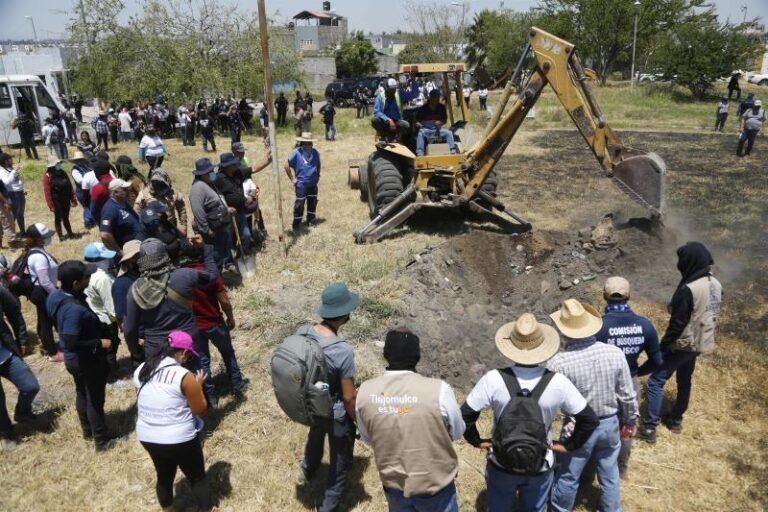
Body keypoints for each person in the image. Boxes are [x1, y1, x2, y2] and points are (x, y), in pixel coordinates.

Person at [461, 313, 599, 512]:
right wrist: (569, 446)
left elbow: (464, 415)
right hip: (541, 463)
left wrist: (477, 441)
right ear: (542, 348)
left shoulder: (493, 379)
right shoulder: (558, 382)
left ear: (512, 347)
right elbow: (589, 420)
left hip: (501, 461)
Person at [357, 328, 466, 511]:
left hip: (394, 485)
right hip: (435, 485)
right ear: (417, 356)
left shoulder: (365, 392)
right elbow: (457, 432)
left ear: (386, 354)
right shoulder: (439, 390)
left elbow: (368, 438)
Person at [547, 299, 638, 512]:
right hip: (609, 424)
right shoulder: (614, 353)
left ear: (563, 331)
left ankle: (560, 509)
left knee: (569, 474)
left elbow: (550, 402)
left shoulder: (558, 362)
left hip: (578, 426)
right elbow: (627, 395)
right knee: (609, 473)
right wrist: (630, 420)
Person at [637, 242, 723, 443]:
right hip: (703, 341)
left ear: (691, 261)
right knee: (685, 379)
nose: (679, 264)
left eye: (682, 260)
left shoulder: (689, 289)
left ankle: (649, 428)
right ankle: (676, 419)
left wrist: (661, 348)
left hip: (683, 343)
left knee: (655, 382)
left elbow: (677, 326)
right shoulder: (716, 284)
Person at [123, 238, 218, 404]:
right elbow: (212, 277)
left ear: (142, 261)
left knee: (165, 387)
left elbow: (129, 328)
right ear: (165, 256)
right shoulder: (184, 276)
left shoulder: (135, 290)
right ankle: (207, 404)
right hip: (187, 343)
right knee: (197, 374)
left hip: (156, 348)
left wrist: (135, 350)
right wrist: (207, 249)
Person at [296, 283, 359, 512]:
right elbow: (349, 397)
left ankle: (306, 469)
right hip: (335, 411)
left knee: (315, 433)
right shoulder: (342, 350)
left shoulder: (303, 331)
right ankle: (328, 505)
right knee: (339, 462)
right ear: (344, 315)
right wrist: (358, 422)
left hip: (311, 403)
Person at [47, 260, 122, 451]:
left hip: (73, 361)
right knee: (95, 399)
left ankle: (88, 431)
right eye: (86, 277)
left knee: (82, 392)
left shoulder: (55, 296)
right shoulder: (74, 310)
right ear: (75, 283)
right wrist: (98, 343)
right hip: (86, 359)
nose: (89, 279)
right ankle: (101, 441)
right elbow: (71, 341)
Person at [592, 276, 661, 478]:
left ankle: (595, 466)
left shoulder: (599, 326)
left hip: (603, 382)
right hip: (630, 380)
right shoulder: (645, 325)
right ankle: (620, 468)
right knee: (627, 424)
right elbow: (657, 360)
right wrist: (638, 371)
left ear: (604, 296)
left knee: (600, 422)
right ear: (628, 296)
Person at [133, 331, 210, 510]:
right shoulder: (184, 375)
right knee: (197, 477)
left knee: (164, 475)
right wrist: (197, 387)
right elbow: (200, 410)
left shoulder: (141, 369)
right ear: (183, 352)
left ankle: (168, 509)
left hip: (148, 435)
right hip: (179, 437)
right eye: (189, 354)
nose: (188, 358)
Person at [186, 246, 247, 398]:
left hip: (194, 327)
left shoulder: (181, 278)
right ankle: (238, 386)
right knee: (228, 353)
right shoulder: (210, 275)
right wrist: (231, 317)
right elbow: (224, 300)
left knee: (203, 362)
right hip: (214, 322)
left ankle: (210, 397)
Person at [0, 270, 39, 449]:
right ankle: (6, 433)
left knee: (30, 386)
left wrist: (22, 338)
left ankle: (22, 413)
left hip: (5, 354)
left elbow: (13, 310)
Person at [84, 243, 122, 385]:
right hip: (105, 320)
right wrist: (119, 321)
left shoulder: (86, 271)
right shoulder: (102, 278)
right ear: (97, 260)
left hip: (93, 317)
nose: (109, 261)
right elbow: (110, 304)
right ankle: (112, 378)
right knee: (110, 347)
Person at [24, 223, 61, 361]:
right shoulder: (38, 257)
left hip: (44, 290)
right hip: (43, 291)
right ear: (38, 239)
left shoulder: (38, 251)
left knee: (45, 320)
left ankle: (49, 347)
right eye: (46, 237)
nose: (49, 238)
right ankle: (52, 353)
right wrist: (55, 293)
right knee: (46, 322)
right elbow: (44, 281)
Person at [189, 158, 235, 271]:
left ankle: (220, 279)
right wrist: (207, 230)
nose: (212, 173)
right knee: (215, 258)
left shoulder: (209, 183)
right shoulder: (198, 188)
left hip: (219, 227)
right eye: (209, 172)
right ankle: (216, 282)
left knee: (220, 255)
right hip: (211, 232)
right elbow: (198, 212)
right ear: (203, 174)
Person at [216, 152, 254, 254]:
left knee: (246, 235)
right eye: (233, 164)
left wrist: (268, 159)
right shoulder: (218, 178)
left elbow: (254, 169)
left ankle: (244, 251)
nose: (236, 165)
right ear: (227, 166)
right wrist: (226, 208)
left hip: (240, 210)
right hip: (227, 213)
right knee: (229, 236)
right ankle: (231, 255)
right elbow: (215, 195)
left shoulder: (238, 172)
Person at [133, 168, 187, 236]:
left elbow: (181, 208)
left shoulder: (173, 193)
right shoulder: (144, 195)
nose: (158, 186)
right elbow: (136, 214)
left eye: (161, 184)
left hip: (171, 229)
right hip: (153, 232)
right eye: (156, 183)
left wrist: (183, 225)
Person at [284, 132, 320, 232]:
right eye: (305, 143)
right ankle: (296, 225)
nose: (308, 145)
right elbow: (286, 165)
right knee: (299, 204)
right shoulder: (296, 153)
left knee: (312, 202)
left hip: (313, 184)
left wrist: (318, 175)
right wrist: (292, 179)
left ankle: (311, 221)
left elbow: (318, 164)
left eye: (310, 143)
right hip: (301, 184)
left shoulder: (315, 153)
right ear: (302, 143)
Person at [99, 179, 143, 254]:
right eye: (125, 189)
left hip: (140, 244)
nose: (128, 191)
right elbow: (104, 234)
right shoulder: (110, 209)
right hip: (131, 251)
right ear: (115, 192)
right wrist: (119, 251)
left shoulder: (123, 202)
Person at [42, 158, 78, 241]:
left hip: (65, 197)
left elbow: (70, 186)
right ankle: (61, 236)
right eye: (57, 163)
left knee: (66, 217)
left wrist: (73, 199)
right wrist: (51, 205)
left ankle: (70, 233)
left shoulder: (63, 172)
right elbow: (47, 192)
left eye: (59, 163)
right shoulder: (48, 176)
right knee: (58, 217)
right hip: (56, 199)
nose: (59, 165)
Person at [415, 89, 458, 156]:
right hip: (426, 129)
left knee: (449, 133)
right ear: (431, 98)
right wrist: (420, 125)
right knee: (420, 134)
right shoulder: (423, 109)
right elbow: (416, 121)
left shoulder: (441, 108)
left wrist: (440, 122)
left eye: (438, 97)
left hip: (437, 130)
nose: (437, 99)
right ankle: (420, 153)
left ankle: (452, 151)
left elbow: (444, 120)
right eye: (435, 97)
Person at [111, 240, 140, 333]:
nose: (141, 259)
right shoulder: (121, 285)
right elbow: (122, 321)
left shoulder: (146, 275)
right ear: (128, 261)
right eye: (136, 256)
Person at [0, 153, 25, 234]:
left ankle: (23, 232)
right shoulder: (1, 170)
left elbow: (17, 180)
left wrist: (21, 188)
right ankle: (12, 235)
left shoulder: (10, 168)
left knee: (20, 214)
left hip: (20, 193)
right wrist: (14, 171)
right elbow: (6, 182)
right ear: (5, 161)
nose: (12, 159)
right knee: (12, 216)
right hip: (13, 194)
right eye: (10, 158)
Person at [70, 151, 95, 228]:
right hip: (82, 191)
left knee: (90, 205)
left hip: (89, 189)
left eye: (81, 159)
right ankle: (88, 221)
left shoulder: (87, 166)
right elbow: (79, 180)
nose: (80, 161)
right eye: (78, 160)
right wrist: (89, 179)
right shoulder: (75, 170)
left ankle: (90, 220)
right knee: (86, 205)